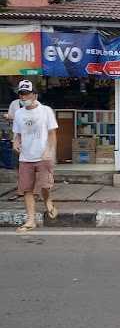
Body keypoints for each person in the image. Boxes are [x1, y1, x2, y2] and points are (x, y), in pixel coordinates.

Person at [12, 80, 59, 233]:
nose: (24, 97)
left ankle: (47, 200)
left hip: (43, 155)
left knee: (45, 186)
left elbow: (52, 133)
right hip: (25, 157)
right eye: (21, 94)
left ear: (35, 95)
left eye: (26, 94)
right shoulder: (19, 113)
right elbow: (17, 134)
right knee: (27, 189)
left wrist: (49, 151)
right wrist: (16, 142)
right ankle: (31, 220)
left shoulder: (46, 111)